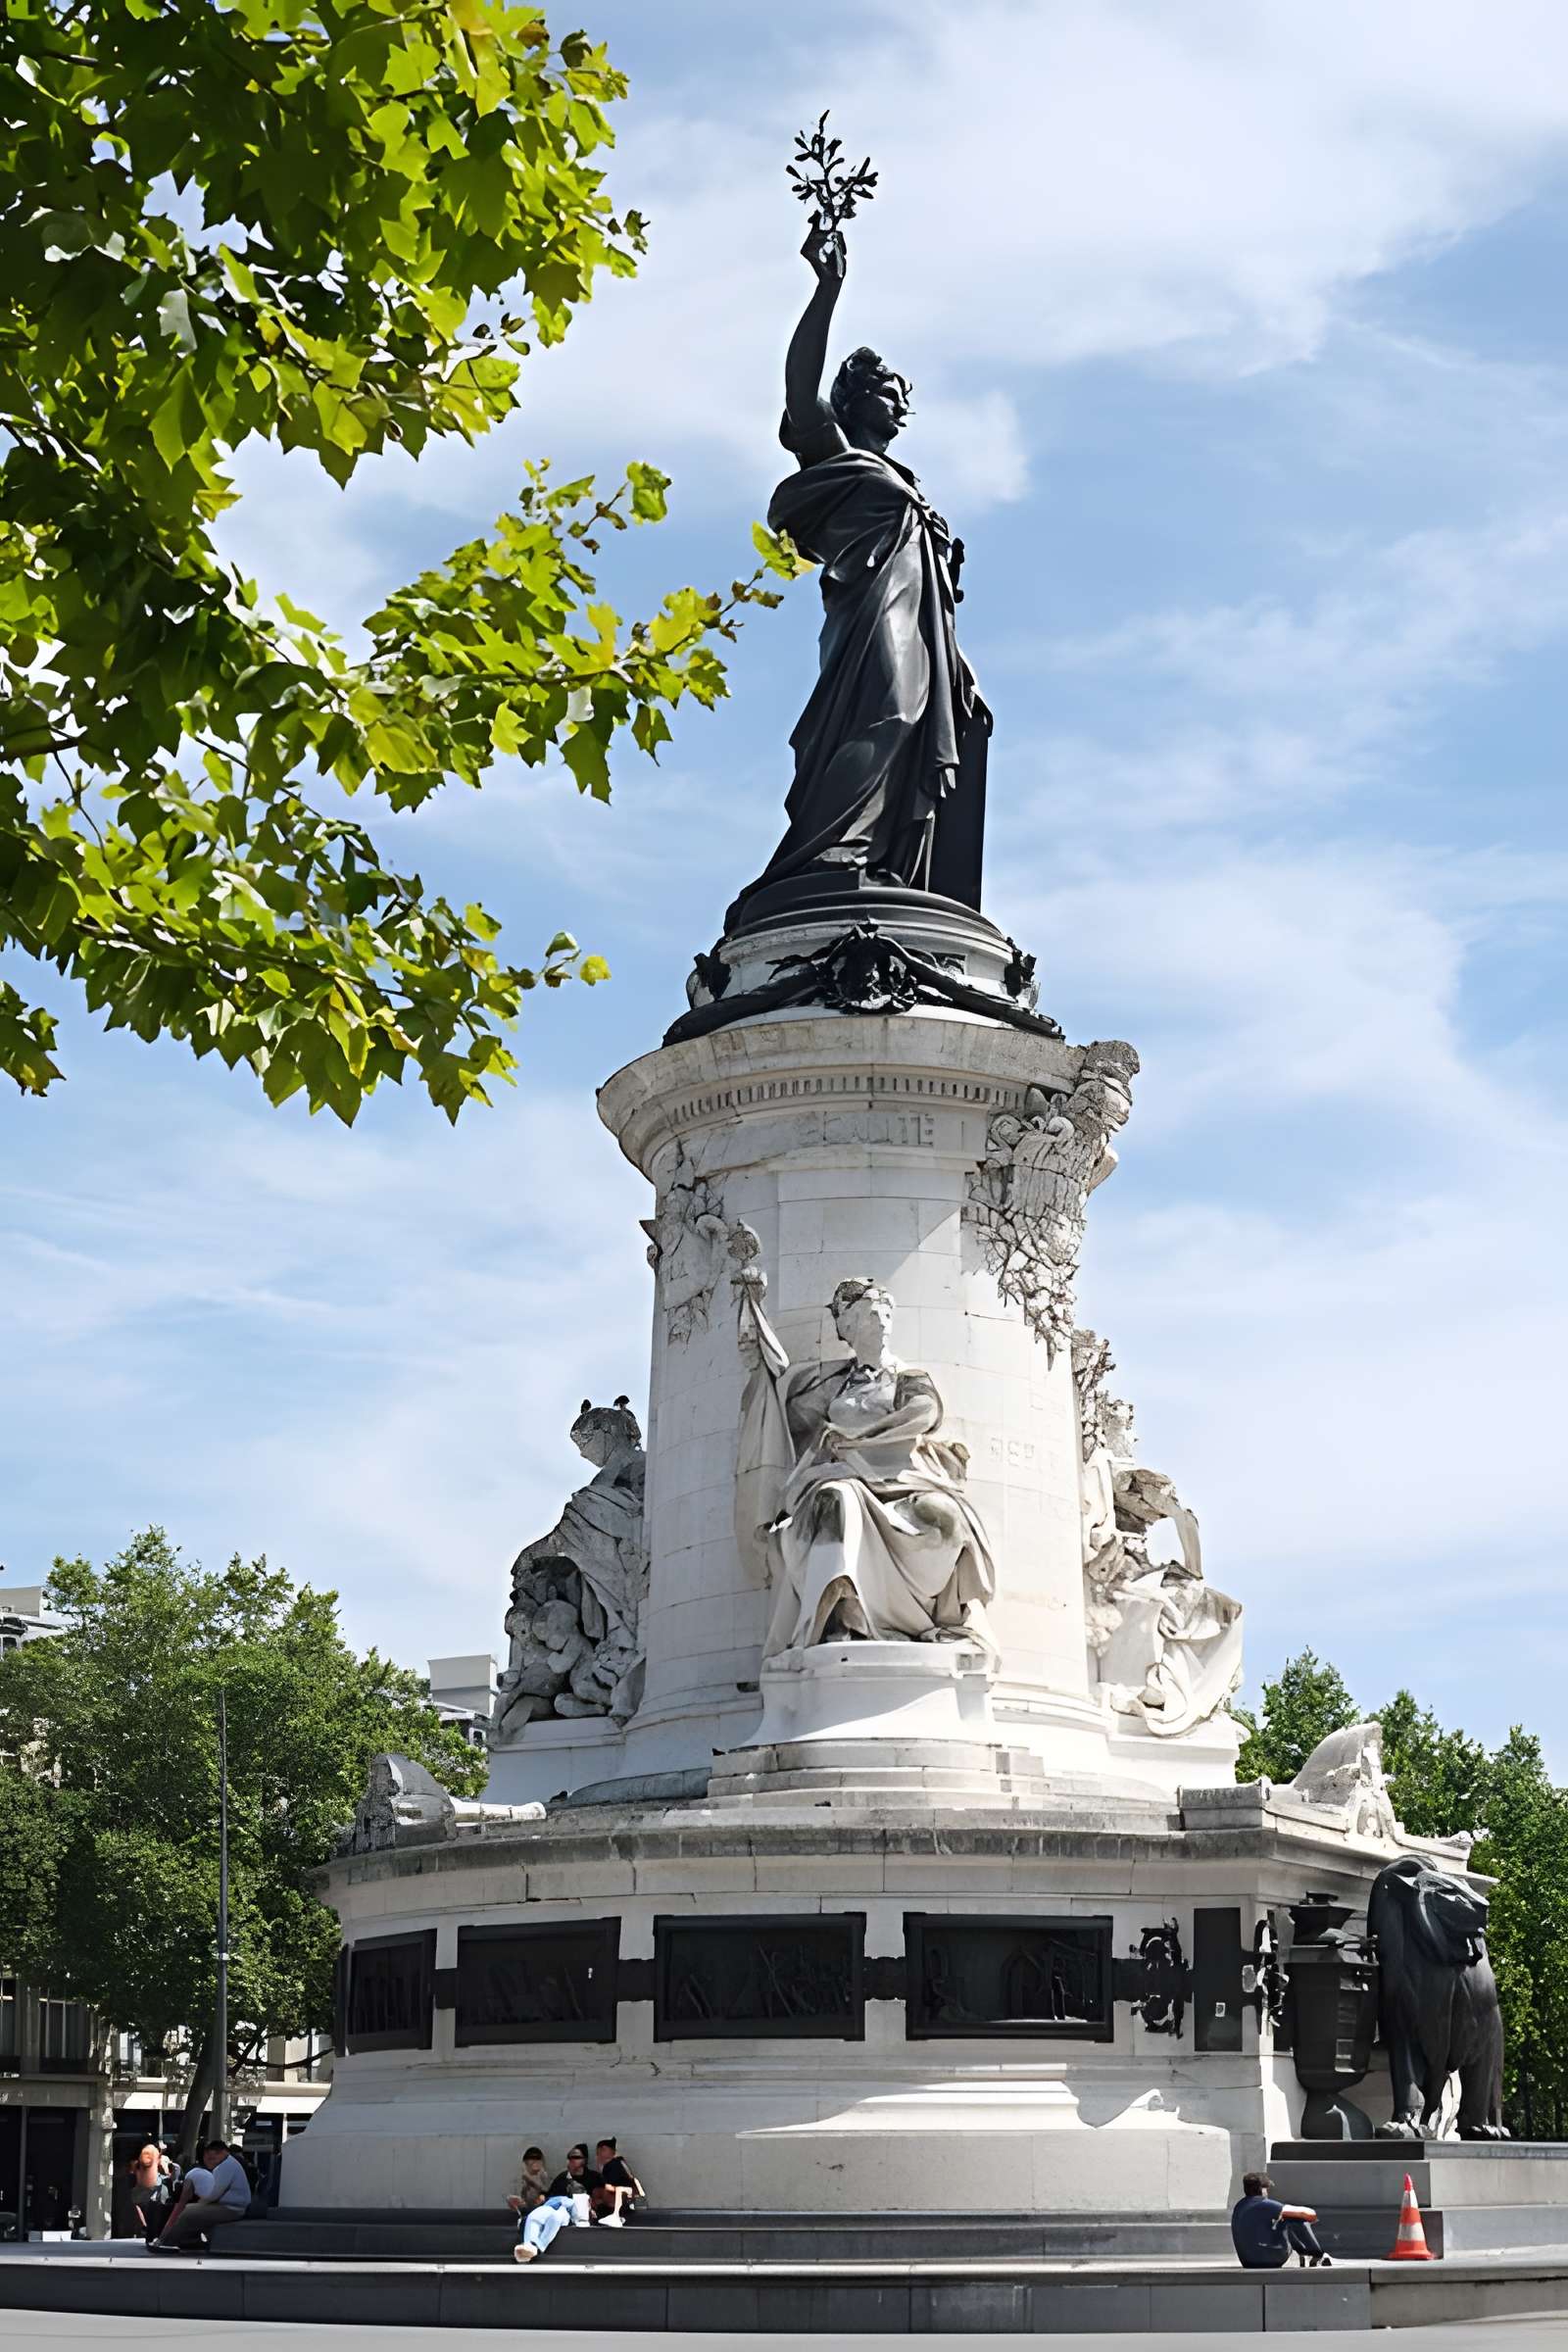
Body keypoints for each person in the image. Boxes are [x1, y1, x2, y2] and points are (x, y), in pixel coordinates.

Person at [725, 222, 991, 929]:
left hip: (919, 620)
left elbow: (934, 588)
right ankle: (825, 857)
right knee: (888, 711)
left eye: (906, 396)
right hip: (869, 614)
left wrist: (959, 666)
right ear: (856, 398)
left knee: (912, 731)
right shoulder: (834, 454)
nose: (902, 403)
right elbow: (801, 386)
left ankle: (877, 860)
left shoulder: (906, 484)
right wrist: (826, 288)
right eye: (888, 391)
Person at [736, 1273, 996, 1657]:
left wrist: (861, 1440)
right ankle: (843, 1617)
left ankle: (937, 1619)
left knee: (944, 1516)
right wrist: (762, 1368)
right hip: (845, 1479)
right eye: (870, 1315)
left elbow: (923, 1413)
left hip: (903, 1479)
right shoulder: (834, 1383)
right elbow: (788, 1419)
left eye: (886, 1315)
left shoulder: (908, 1377)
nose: (882, 1323)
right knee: (835, 1500)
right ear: (849, 1327)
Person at [151, 2137, 252, 2251]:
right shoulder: (227, 2164)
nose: (210, 2160)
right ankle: (189, 2240)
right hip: (229, 2206)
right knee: (193, 2210)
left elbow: (213, 2195)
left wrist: (201, 2202)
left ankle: (168, 2242)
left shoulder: (225, 2167)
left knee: (189, 2212)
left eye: (212, 2157)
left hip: (232, 2208)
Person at [1231, 2171, 1332, 2269]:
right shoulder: (1266, 2204)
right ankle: (1317, 2254)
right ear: (1262, 2189)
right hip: (1271, 2260)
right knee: (1293, 2219)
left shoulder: (1239, 2206)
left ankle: (1304, 2254)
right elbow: (1309, 2214)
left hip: (1248, 2262)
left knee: (1281, 2220)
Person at [595, 2138, 643, 2216]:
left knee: (598, 2191)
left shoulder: (612, 2165)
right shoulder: (619, 2162)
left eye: (600, 2151)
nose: (598, 2154)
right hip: (628, 2196)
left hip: (622, 2198)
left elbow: (613, 2186)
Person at [507, 2146, 551, 2220]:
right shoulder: (520, 2176)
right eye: (531, 2158)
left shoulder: (543, 2175)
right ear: (525, 2161)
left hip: (539, 2210)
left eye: (538, 2158)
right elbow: (515, 2194)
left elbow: (546, 2190)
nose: (535, 2161)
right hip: (523, 2209)